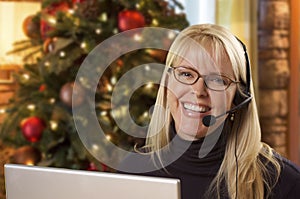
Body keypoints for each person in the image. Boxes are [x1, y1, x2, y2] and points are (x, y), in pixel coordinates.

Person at [118, 24, 300, 199]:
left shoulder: (283, 182)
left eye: (216, 80)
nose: (198, 91)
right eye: (186, 74)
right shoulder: (133, 171)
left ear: (239, 99)